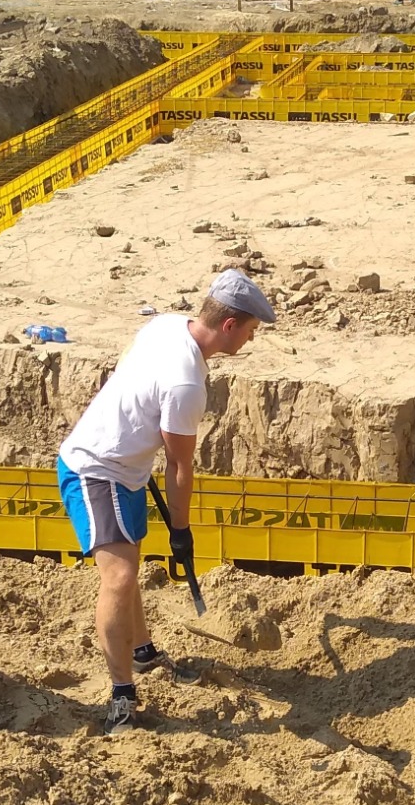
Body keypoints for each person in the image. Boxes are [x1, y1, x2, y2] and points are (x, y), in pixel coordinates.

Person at [56, 270, 276, 734]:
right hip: (96, 469)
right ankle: (121, 695)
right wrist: (180, 530)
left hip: (126, 470)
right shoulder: (187, 386)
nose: (250, 341)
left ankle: (141, 651)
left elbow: (132, 382)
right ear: (231, 324)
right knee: (119, 576)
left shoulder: (165, 325)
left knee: (129, 564)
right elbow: (180, 468)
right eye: (252, 330)